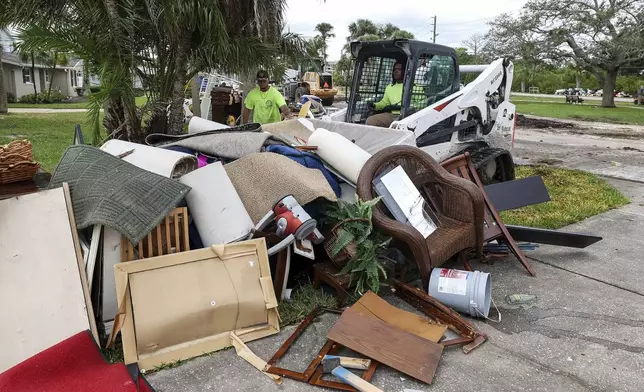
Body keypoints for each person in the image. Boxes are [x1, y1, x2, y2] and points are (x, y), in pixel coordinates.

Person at [366, 61, 404, 127]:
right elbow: (384, 103)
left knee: (396, 126)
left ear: (405, 71)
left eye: (399, 69)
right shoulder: (390, 87)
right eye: (394, 69)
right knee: (370, 121)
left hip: (407, 116)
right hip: (392, 115)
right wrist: (375, 105)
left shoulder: (414, 86)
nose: (396, 71)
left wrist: (403, 107)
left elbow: (422, 104)